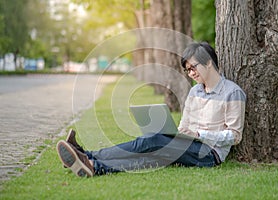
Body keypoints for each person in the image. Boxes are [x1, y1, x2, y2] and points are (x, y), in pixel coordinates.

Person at [56, 42, 246, 177]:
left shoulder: (232, 93)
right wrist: (177, 134)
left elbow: (235, 136)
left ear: (208, 63)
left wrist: (199, 134)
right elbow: (185, 124)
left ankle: (87, 155)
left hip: (209, 154)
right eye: (187, 70)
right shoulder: (195, 91)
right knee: (150, 150)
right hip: (189, 143)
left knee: (151, 141)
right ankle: (92, 165)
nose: (191, 73)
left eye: (193, 67)